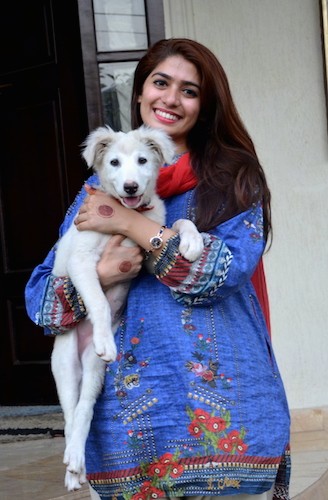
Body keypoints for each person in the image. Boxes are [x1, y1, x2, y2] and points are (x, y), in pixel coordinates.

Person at [25, 38, 290, 500]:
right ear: (141, 91)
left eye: (189, 90)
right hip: (128, 422)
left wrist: (129, 222)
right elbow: (42, 305)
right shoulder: (97, 188)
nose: (170, 98)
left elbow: (215, 276)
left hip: (222, 416)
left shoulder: (234, 180)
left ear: (205, 106)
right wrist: (105, 271)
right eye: (160, 82)